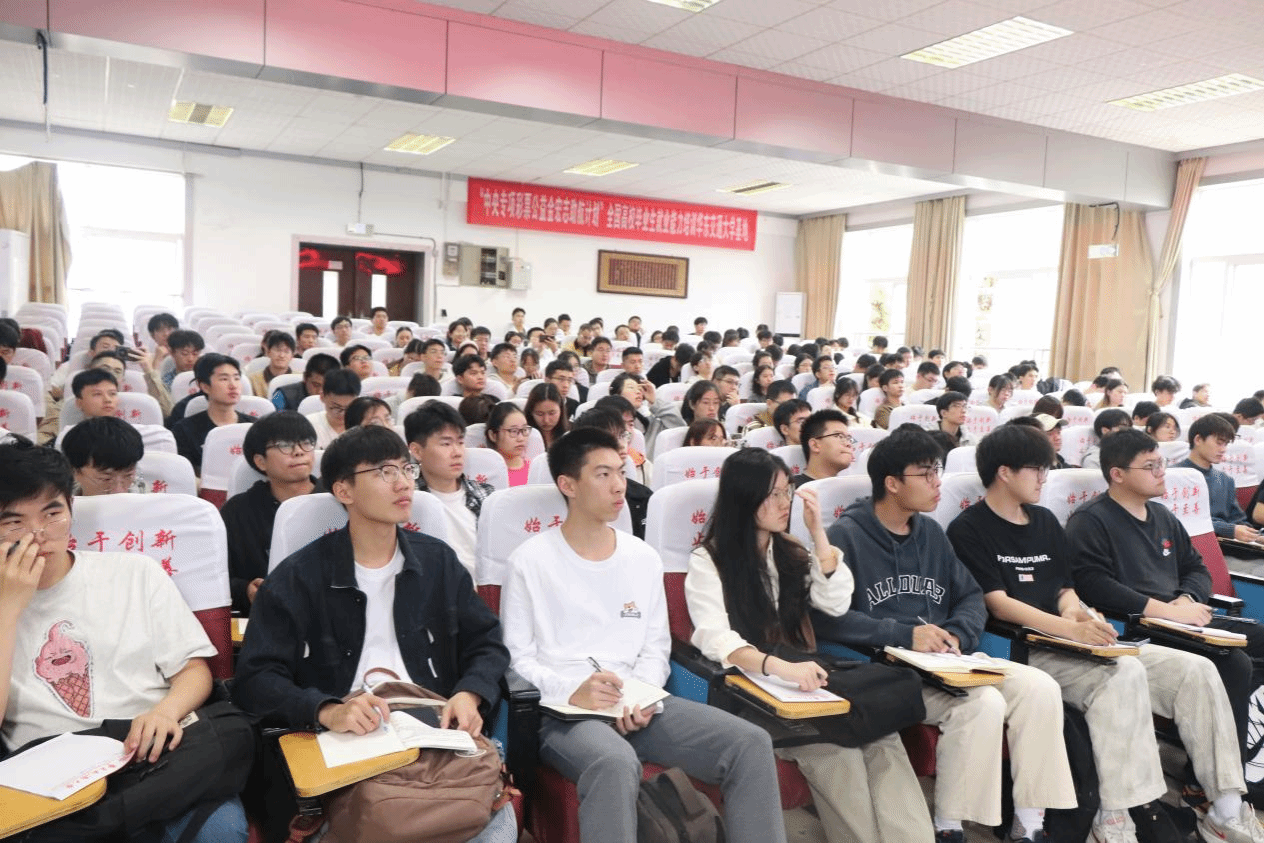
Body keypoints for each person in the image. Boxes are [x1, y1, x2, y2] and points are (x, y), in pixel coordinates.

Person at [952, 424, 1263, 843]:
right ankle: (1116, 817)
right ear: (1004, 472)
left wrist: (1076, 615)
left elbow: (1064, 587)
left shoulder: (1044, 521)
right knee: (1124, 674)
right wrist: (1069, 627)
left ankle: (1225, 807)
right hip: (1025, 646)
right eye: (1037, 469)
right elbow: (998, 603)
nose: (1045, 478)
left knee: (1197, 670)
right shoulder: (970, 528)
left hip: (1072, 637)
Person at [500, 427, 788, 843]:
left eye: (620, 471)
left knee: (750, 743)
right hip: (564, 712)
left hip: (637, 701)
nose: (619, 485)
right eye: (603, 475)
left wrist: (642, 694)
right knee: (614, 761)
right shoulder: (529, 561)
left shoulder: (642, 557)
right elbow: (518, 659)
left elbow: (656, 647)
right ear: (568, 485)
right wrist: (574, 690)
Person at [232, 425, 514, 837]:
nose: (403, 483)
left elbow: (487, 642)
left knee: (498, 822)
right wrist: (327, 710)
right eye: (384, 472)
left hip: (434, 727)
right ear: (343, 490)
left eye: (406, 469)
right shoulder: (298, 577)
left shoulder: (438, 562)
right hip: (352, 735)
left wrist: (470, 693)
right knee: (385, 818)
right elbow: (256, 677)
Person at [812, 426, 1077, 842]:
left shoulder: (932, 533)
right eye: (926, 474)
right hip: (889, 669)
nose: (938, 483)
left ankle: (1028, 825)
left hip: (948, 660)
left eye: (938, 471)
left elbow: (970, 595)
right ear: (892, 483)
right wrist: (904, 635)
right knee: (983, 704)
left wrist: (957, 633)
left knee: (1040, 687)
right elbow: (827, 619)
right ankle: (949, 826)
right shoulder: (846, 536)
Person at [0, 441, 249, 840]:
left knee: (232, 734)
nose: (38, 535)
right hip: (47, 771)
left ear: (71, 509)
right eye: (14, 522)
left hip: (150, 748)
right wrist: (7, 610)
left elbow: (193, 671)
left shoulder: (135, 572)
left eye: (52, 513)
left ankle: (91, 827)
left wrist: (166, 713)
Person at [687, 447, 933, 843]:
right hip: (756, 691)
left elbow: (834, 603)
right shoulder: (709, 560)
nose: (784, 502)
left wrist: (818, 534)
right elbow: (717, 640)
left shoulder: (790, 551)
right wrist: (781, 668)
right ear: (744, 497)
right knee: (838, 754)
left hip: (810, 680)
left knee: (882, 737)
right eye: (773, 494)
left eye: (787, 491)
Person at [1068, 427, 1264, 811]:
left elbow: (1196, 568)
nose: (1162, 473)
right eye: (1150, 466)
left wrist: (1187, 598)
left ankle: (1247, 755)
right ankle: (1207, 784)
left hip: (1182, 615)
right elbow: (1093, 586)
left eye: (1162, 463)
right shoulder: (1091, 521)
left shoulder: (1161, 514)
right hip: (1138, 627)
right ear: (1117, 474)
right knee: (1235, 663)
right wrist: (1167, 611)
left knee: (1257, 640)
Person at [220, 411, 320, 615]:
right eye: (285, 445)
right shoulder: (237, 512)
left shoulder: (339, 502)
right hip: (267, 618)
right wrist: (245, 590)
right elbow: (216, 577)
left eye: (306, 443)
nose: (299, 452)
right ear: (260, 461)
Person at [406, 401, 494, 581]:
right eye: (446, 444)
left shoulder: (486, 496)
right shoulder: (406, 501)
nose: (457, 452)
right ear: (417, 451)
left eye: (460, 442)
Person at [1177, 413, 1261, 542]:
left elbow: (1238, 520)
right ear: (1198, 440)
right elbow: (1181, 519)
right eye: (1219, 443)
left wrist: (1256, 536)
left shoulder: (1225, 480)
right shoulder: (1174, 476)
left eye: (1226, 444)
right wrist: (1229, 529)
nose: (1223, 449)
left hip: (1225, 544)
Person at [172, 354, 254, 475]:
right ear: (205, 387)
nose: (233, 385)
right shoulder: (184, 430)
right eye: (224, 379)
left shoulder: (254, 427)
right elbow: (185, 475)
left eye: (236, 378)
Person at [61, 415, 145, 495]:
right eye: (105, 479)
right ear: (73, 471)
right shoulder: (60, 503)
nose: (119, 491)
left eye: (128, 476)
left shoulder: (146, 501)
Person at [791, 409, 854, 488]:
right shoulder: (790, 489)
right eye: (839, 436)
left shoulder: (850, 489)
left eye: (848, 438)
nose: (848, 444)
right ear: (815, 445)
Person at [306, 367, 361, 448]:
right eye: (336, 407)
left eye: (348, 408)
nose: (343, 414)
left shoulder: (363, 425)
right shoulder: (309, 425)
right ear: (322, 397)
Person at [272, 352, 338, 412]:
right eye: (316, 385)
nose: (320, 391)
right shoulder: (282, 396)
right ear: (305, 378)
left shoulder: (340, 397)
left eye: (326, 386)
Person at [485, 401, 531, 487]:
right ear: (493, 435)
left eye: (524, 430)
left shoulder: (534, 470)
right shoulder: (487, 474)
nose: (521, 438)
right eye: (513, 431)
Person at [249, 331, 295, 398]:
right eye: (278, 350)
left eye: (286, 351)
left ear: (292, 356)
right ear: (268, 352)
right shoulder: (253, 379)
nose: (282, 355)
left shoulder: (299, 379)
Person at [525, 382, 568, 450]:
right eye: (540, 414)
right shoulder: (523, 439)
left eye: (552, 413)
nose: (546, 420)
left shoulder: (569, 436)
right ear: (531, 412)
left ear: (561, 410)